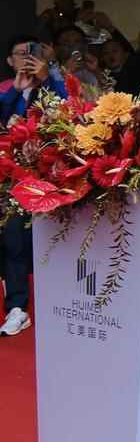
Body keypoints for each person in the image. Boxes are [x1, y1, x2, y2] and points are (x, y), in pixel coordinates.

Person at [1, 35, 69, 338]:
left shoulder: (55, 84)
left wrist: (48, 78)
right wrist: (17, 90)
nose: (28, 58)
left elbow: (69, 111)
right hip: (15, 177)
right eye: (22, 53)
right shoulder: (8, 90)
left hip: (54, 177)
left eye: (34, 53)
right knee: (14, 239)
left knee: (56, 242)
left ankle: (63, 304)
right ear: (10, 60)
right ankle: (17, 308)